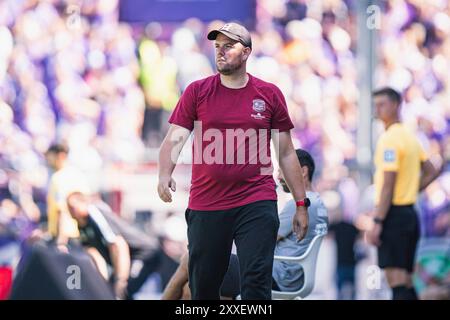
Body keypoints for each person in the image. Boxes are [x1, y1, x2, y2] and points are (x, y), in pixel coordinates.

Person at [157, 22, 310, 300]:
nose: (221, 52)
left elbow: (286, 152)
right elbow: (173, 140)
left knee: (255, 283)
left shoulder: (269, 94)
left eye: (229, 46)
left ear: (247, 52)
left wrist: (300, 204)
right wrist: (164, 173)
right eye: (217, 46)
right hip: (207, 202)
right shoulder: (197, 91)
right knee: (203, 286)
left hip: (256, 200)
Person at [161, 149, 328, 299]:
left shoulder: (301, 206)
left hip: (273, 276)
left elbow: (261, 239)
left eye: (282, 171)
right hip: (289, 276)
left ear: (303, 171)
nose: (278, 177)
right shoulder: (318, 204)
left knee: (193, 260)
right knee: (192, 283)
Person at [366, 87, 442, 300]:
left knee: (397, 281)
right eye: (376, 104)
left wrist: (378, 220)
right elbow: (432, 170)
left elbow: (388, 183)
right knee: (407, 281)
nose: (378, 109)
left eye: (382, 104)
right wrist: (411, 189)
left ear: (396, 105)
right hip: (410, 214)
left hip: (394, 217)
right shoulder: (410, 137)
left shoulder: (389, 139)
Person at [66, 191, 163, 299]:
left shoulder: (94, 213)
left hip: (143, 253)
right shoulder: (82, 226)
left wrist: (120, 280)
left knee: (123, 290)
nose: (71, 211)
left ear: (83, 203)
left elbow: (119, 245)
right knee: (110, 292)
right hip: (127, 260)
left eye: (73, 206)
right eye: (69, 208)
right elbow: (94, 255)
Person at [45, 143, 90, 251]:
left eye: (50, 157)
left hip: (65, 237)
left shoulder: (58, 178)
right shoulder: (79, 175)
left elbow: (62, 211)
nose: (48, 161)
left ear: (60, 156)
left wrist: (61, 241)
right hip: (82, 235)